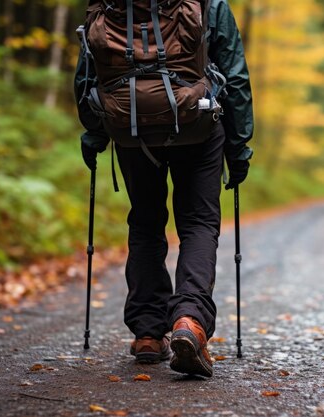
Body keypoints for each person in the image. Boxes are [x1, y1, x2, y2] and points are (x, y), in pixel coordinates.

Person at [74, 0, 253, 378]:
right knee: (199, 224)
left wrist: (94, 131)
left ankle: (147, 333)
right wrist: (238, 146)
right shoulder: (208, 3)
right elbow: (235, 75)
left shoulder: (107, 3)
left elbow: (88, 68)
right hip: (198, 123)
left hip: (130, 127)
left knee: (145, 223)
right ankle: (189, 320)